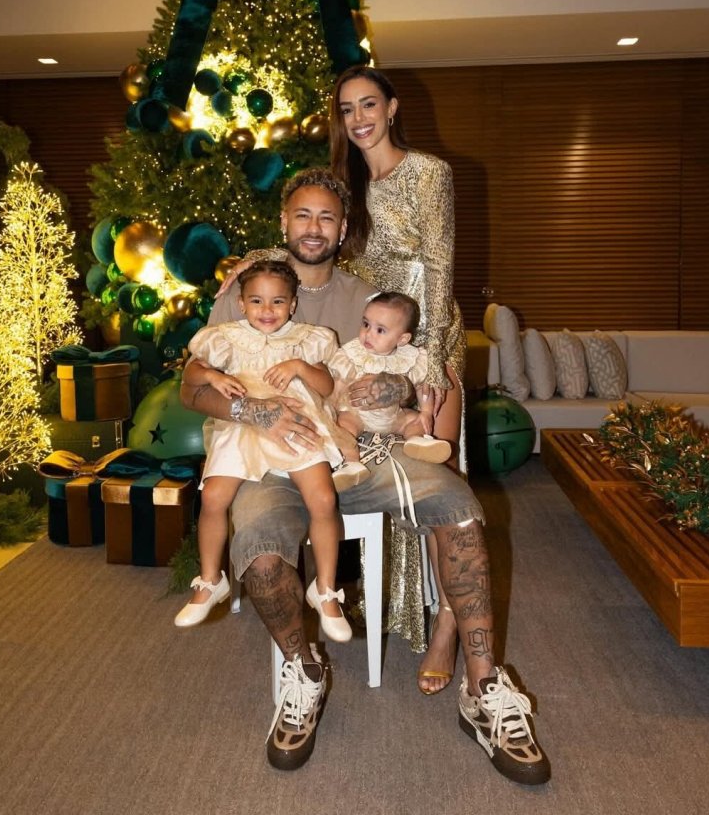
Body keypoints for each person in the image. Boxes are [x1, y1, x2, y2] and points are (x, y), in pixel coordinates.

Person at [181, 169, 550, 784]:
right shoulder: (243, 292)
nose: (314, 228)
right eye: (303, 215)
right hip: (269, 460)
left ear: (343, 226)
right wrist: (250, 411)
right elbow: (192, 388)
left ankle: (483, 687)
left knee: (457, 507)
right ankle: (304, 671)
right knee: (263, 558)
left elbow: (407, 367)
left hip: (361, 454)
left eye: (326, 217)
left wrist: (396, 391)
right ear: (284, 222)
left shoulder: (366, 297)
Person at [329, 64, 468, 695]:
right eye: (347, 109)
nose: (358, 118)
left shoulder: (429, 172)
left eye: (368, 104)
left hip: (428, 339)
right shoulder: (348, 186)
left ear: (391, 107)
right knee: (391, 475)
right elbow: (313, 242)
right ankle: (405, 605)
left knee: (441, 484)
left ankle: (447, 628)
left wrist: (432, 360)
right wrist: (256, 258)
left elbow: (439, 266)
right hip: (376, 348)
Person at [173, 259, 357, 643]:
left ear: (293, 304)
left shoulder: (307, 339)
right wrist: (212, 376)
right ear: (241, 303)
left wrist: (301, 368)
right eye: (256, 301)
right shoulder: (225, 337)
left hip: (297, 425)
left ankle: (325, 590)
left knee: (323, 498)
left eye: (278, 301)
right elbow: (191, 374)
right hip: (244, 427)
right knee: (213, 496)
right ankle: (210, 580)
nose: (267, 310)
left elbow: (326, 387)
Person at [330, 290, 452, 464]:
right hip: (357, 413)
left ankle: (417, 441)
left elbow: (422, 387)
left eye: (380, 330)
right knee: (343, 426)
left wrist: (426, 412)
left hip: (394, 417)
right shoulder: (352, 354)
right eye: (366, 324)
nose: (368, 334)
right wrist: (332, 407)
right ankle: (350, 461)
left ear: (402, 339)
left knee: (415, 420)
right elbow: (339, 383)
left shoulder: (411, 358)